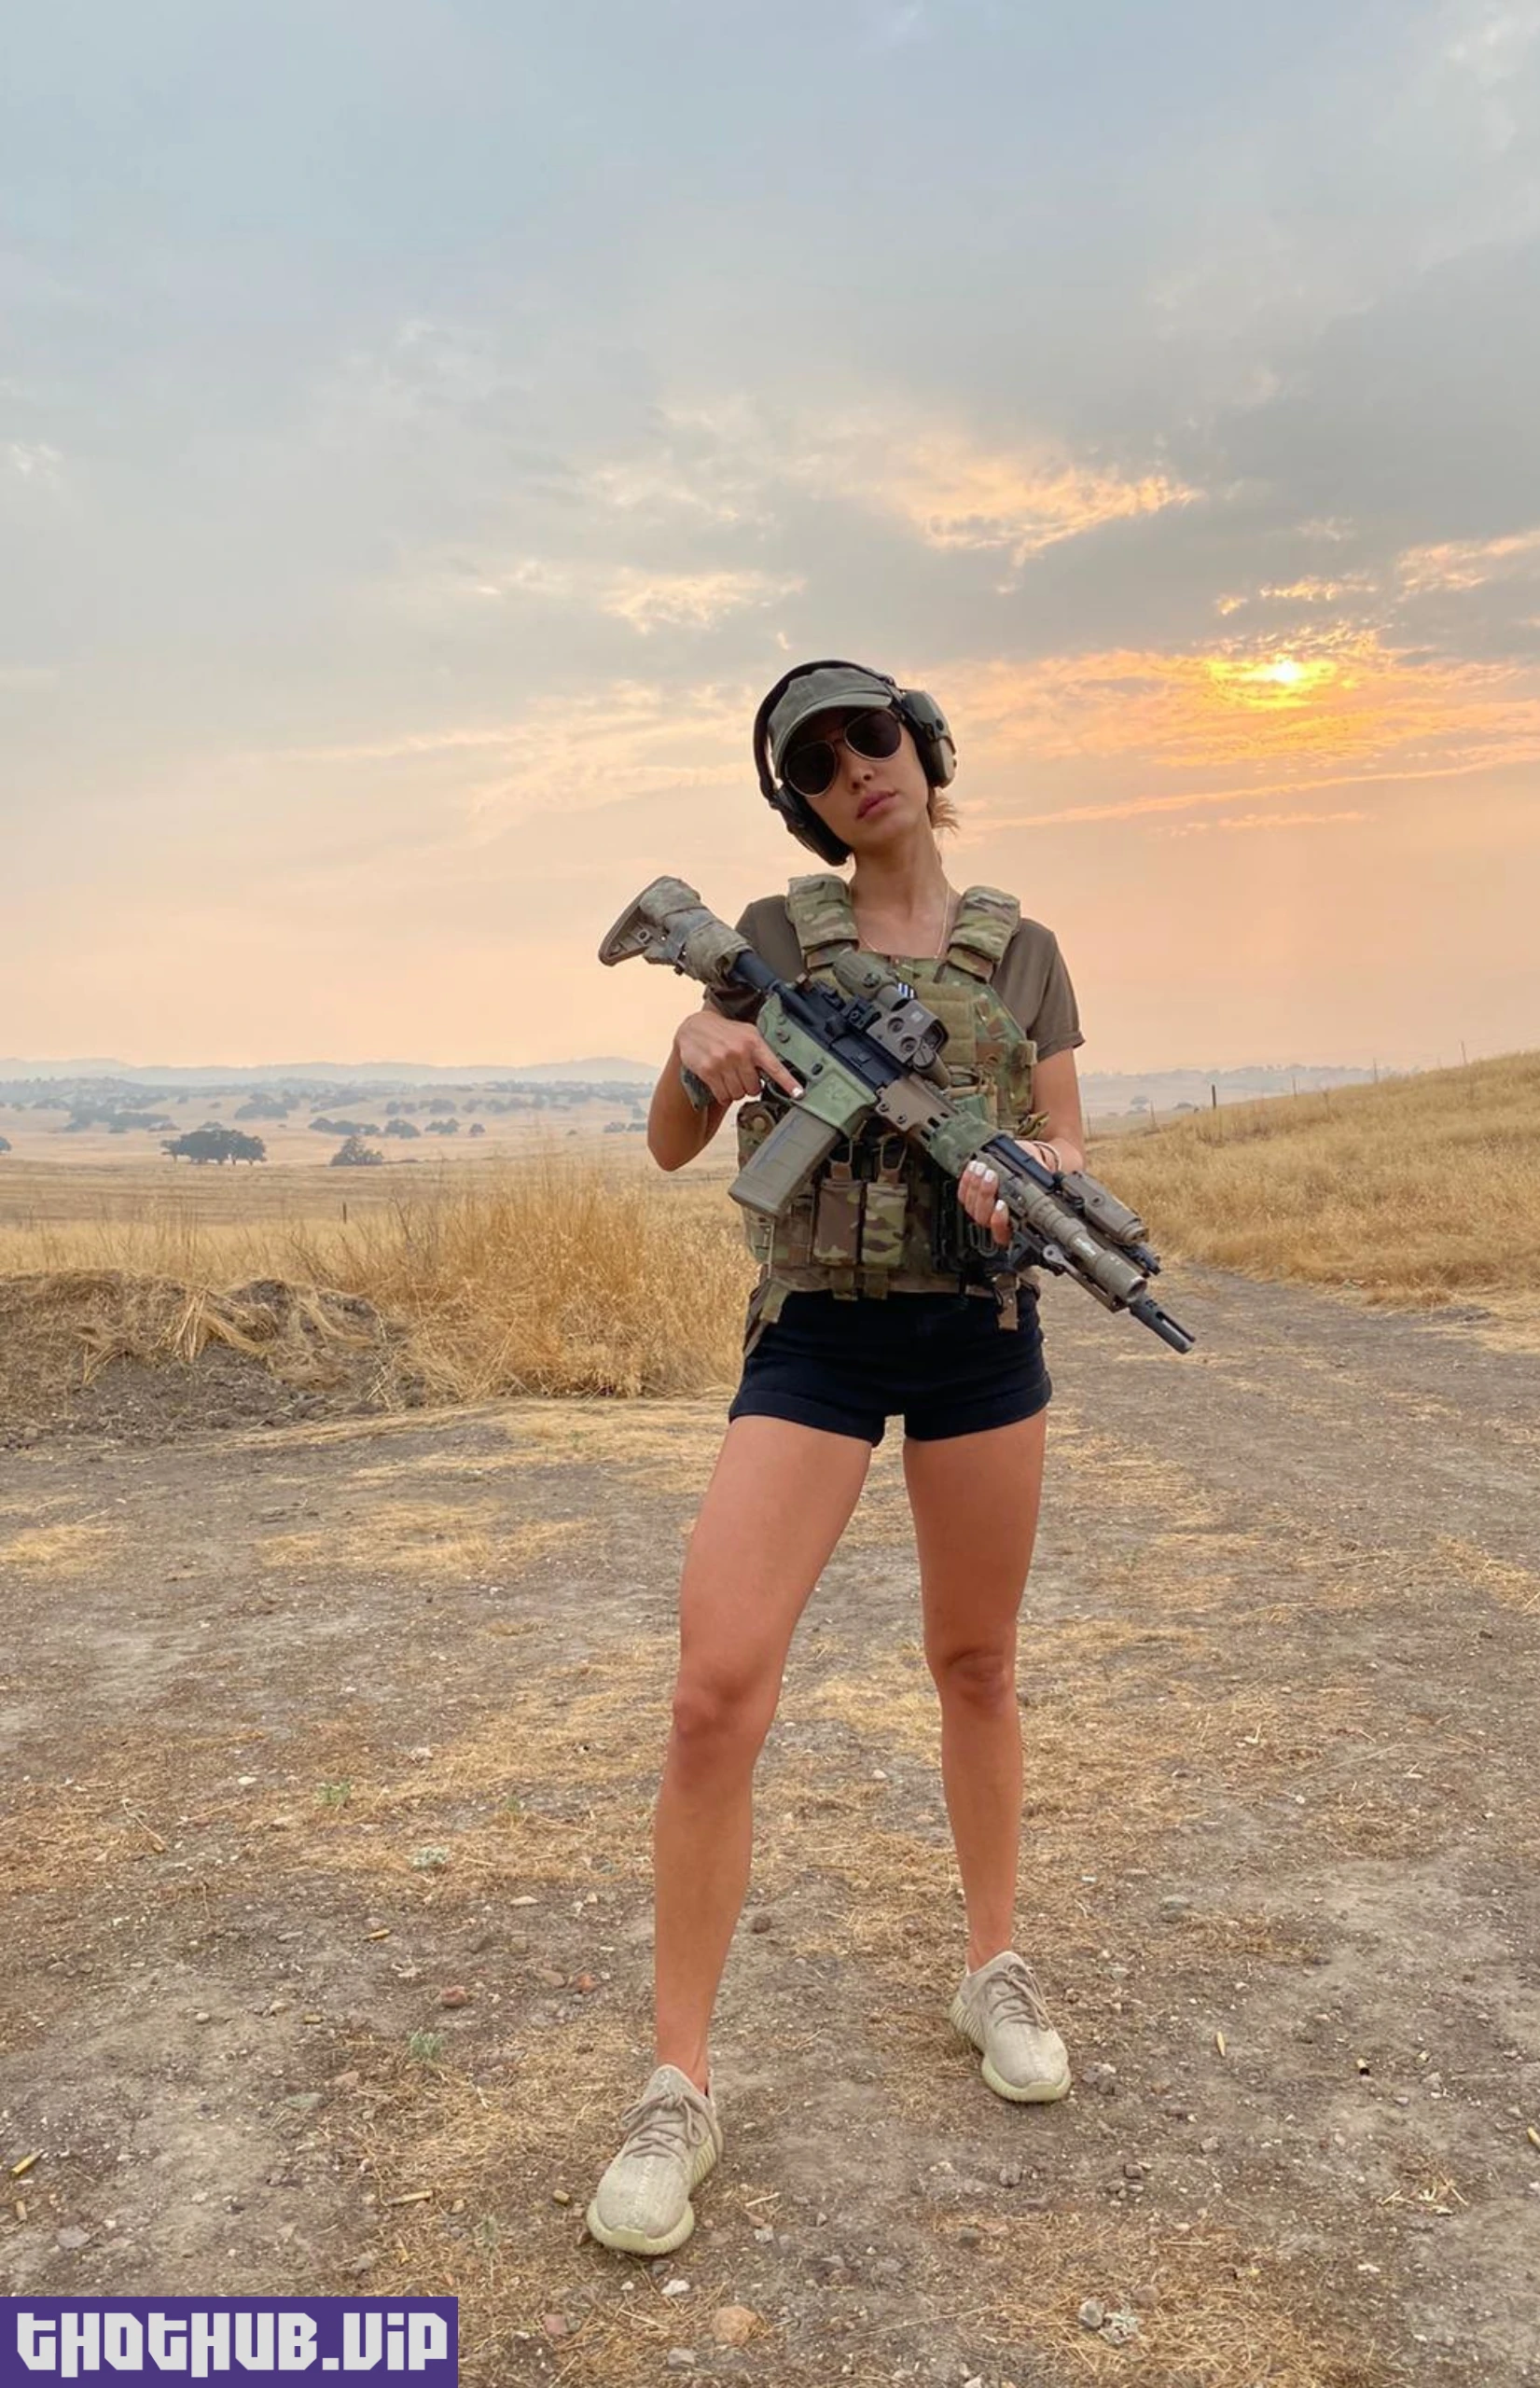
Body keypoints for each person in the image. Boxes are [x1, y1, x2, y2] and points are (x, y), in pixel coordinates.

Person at [588, 660, 1089, 2257]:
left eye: (871, 736)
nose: (852, 769)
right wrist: (700, 1042)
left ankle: (993, 1967)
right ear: (798, 804)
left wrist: (1030, 1177)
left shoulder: (1025, 951)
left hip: (978, 1333)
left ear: (923, 748)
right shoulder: (774, 939)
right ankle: (678, 2084)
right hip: (814, 1334)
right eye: (813, 762)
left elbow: (1068, 1141)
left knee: (977, 1664)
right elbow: (676, 1144)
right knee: (713, 1691)